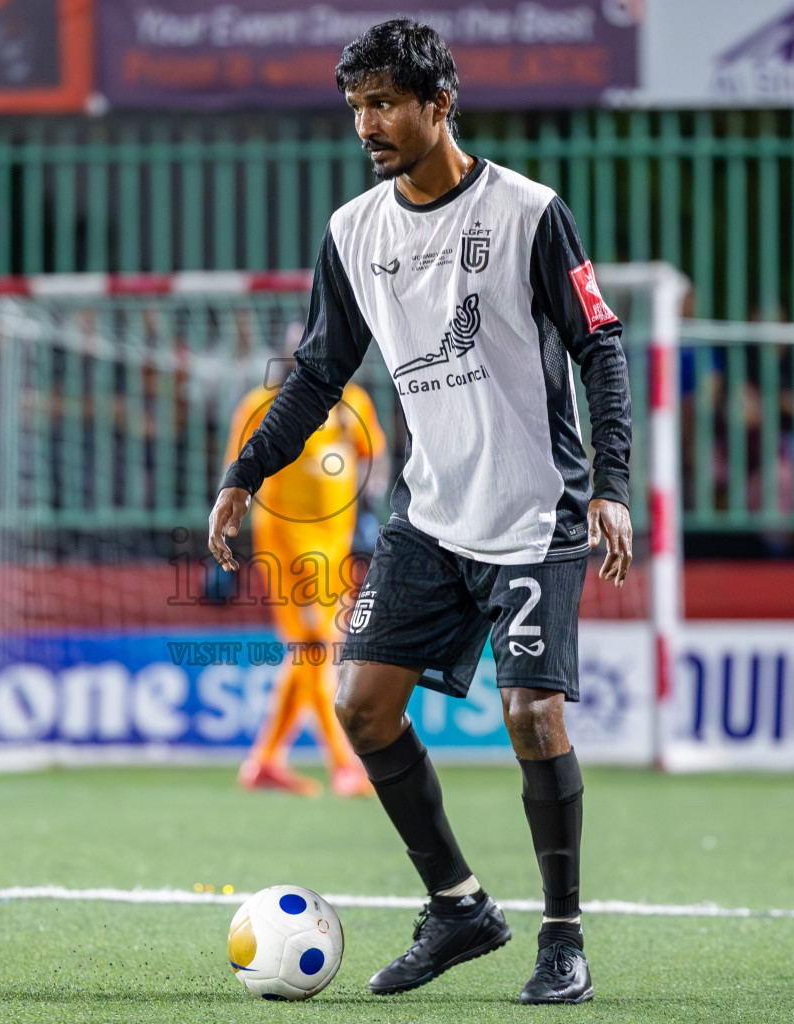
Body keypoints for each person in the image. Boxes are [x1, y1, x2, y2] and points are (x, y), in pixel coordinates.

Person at [207, 20, 632, 1005]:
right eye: (358, 106)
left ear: (441, 104)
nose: (370, 123)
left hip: (538, 511)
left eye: (388, 102)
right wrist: (245, 471)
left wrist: (610, 483)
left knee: (532, 715)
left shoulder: (529, 212)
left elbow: (600, 346)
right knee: (359, 701)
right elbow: (319, 371)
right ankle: (459, 906)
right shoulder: (355, 231)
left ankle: (562, 936)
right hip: (431, 518)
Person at [224, 354, 387, 798]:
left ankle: (265, 760)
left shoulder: (353, 403)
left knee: (311, 652)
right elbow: (237, 473)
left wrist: (370, 508)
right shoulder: (261, 404)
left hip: (335, 545)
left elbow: (375, 457)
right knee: (316, 645)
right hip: (286, 544)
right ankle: (343, 763)